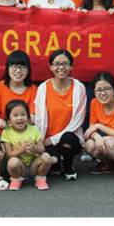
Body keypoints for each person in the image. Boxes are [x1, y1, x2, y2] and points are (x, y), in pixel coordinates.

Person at [33, 49, 87, 180]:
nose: (61, 68)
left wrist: (53, 139)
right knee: (52, 163)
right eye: (57, 64)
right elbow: (39, 119)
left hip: (68, 137)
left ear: (71, 66)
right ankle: (57, 163)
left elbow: (78, 120)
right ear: (50, 66)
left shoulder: (79, 87)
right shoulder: (43, 88)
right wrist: (40, 141)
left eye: (65, 64)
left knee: (69, 139)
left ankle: (68, 166)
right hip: (46, 139)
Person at [2, 100, 53, 191]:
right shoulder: (7, 132)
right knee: (12, 162)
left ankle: (40, 178)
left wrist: (34, 148)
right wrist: (21, 150)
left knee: (46, 157)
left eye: (23, 114)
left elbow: (42, 149)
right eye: (15, 115)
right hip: (19, 167)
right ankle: (16, 179)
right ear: (9, 120)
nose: (20, 118)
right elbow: (9, 155)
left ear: (28, 118)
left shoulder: (33, 129)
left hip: (34, 166)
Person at [0, 50, 38, 132]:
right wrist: (7, 126)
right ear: (7, 68)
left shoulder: (33, 89)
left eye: (23, 67)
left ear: (28, 70)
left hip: (26, 134)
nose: (18, 70)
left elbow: (33, 117)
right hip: (3, 133)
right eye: (14, 66)